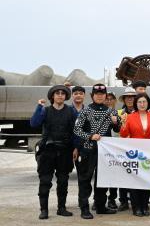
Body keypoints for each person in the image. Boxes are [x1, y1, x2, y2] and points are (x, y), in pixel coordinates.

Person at [30, 85, 78, 219]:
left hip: (65, 151)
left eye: (63, 93)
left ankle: (61, 208)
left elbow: (75, 131)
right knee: (45, 181)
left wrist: (76, 147)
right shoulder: (45, 110)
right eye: (57, 93)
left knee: (63, 181)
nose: (60, 95)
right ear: (52, 96)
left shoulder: (70, 111)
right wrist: (38, 107)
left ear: (66, 96)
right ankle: (44, 210)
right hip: (48, 151)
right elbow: (34, 123)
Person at [73, 84, 121, 219]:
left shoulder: (112, 111)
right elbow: (76, 130)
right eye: (97, 94)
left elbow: (118, 130)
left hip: (105, 152)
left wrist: (116, 122)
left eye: (102, 94)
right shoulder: (85, 111)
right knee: (85, 180)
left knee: (103, 181)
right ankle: (84, 208)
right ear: (92, 96)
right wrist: (90, 136)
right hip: (87, 151)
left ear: (105, 95)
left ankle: (100, 206)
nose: (100, 96)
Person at [120, 93, 150, 216]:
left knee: (147, 181)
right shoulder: (130, 117)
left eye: (144, 102)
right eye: (139, 102)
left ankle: (145, 206)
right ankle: (136, 207)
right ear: (135, 104)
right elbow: (123, 134)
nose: (142, 104)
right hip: (134, 153)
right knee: (135, 181)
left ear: (148, 103)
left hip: (149, 152)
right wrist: (123, 123)